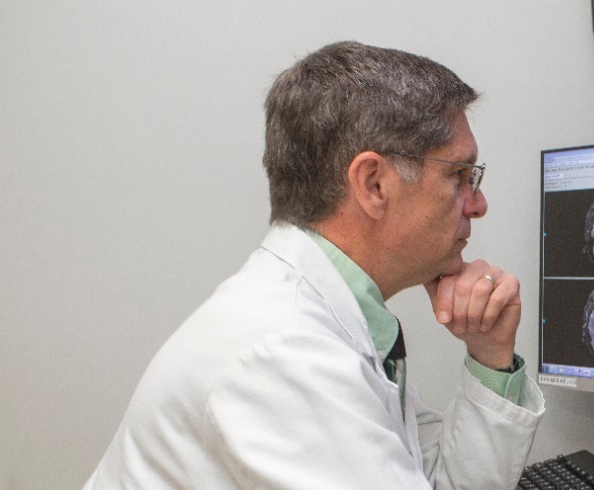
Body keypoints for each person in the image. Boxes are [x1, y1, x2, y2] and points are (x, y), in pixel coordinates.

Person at [84, 41, 544, 489]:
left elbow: (443, 481)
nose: (478, 204)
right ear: (374, 184)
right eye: (459, 175)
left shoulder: (336, 327)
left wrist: (490, 355)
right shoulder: (284, 354)